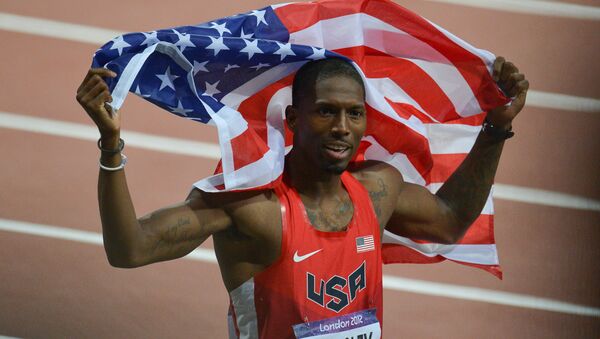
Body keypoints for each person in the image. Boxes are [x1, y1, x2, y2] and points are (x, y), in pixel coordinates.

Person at [76, 57, 528, 338]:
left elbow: (448, 221)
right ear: (293, 118)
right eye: (326, 112)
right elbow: (129, 249)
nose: (342, 128)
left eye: (355, 114)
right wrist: (111, 145)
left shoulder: (377, 189)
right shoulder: (252, 206)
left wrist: (495, 129)